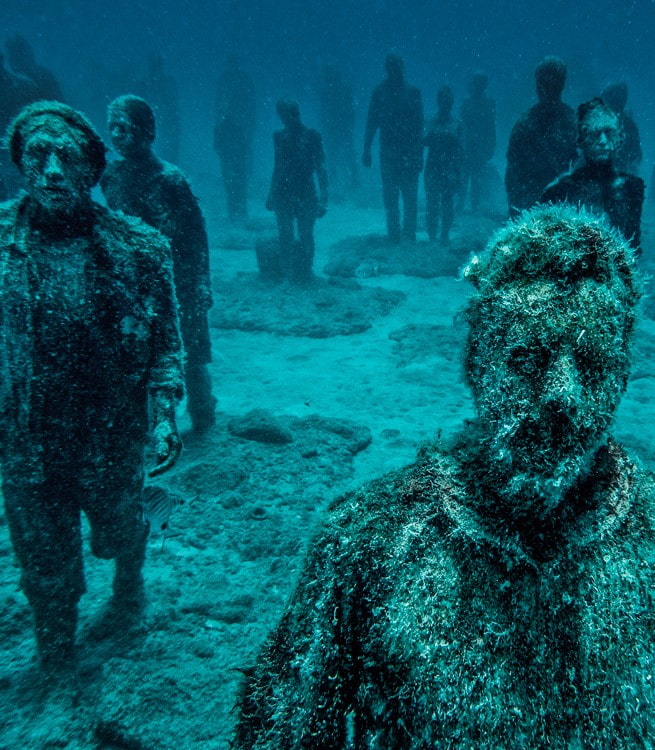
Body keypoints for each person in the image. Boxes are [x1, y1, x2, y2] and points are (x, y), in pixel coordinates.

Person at [233, 203, 655, 748]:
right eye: (529, 358)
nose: (563, 396)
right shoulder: (366, 545)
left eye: (593, 362)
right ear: (476, 363)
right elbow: (281, 726)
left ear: (622, 376)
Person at [0, 101, 183, 687]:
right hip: (28, 436)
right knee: (43, 552)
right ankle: (56, 650)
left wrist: (162, 415)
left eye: (68, 158)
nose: (53, 170)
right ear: (21, 164)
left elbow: (165, 344)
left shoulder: (142, 249)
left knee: (123, 524)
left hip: (110, 430)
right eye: (38, 155)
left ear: (90, 170)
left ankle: (129, 590)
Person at [101, 95, 216, 432]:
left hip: (177, 283)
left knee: (192, 354)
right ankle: (149, 425)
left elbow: (197, 239)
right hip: (131, 285)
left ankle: (203, 414)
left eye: (125, 128)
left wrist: (201, 285)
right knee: (139, 354)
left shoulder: (170, 180)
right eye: (113, 128)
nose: (119, 135)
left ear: (146, 131)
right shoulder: (110, 177)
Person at [542, 98, 644, 252]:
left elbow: (633, 247)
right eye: (595, 133)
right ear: (581, 139)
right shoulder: (558, 192)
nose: (603, 141)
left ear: (619, 138)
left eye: (609, 132)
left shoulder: (633, 187)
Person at [362, 53, 423, 244]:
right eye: (391, 66)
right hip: (388, 153)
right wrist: (367, 148)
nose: (394, 70)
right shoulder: (379, 92)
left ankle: (409, 235)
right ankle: (394, 235)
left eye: (396, 66)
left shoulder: (413, 92)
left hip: (409, 153)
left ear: (402, 68)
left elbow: (419, 125)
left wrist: (419, 154)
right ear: (387, 69)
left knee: (410, 197)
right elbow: (372, 121)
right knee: (390, 198)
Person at [505, 56, 577, 216]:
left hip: (561, 208)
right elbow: (513, 174)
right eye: (544, 84)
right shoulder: (524, 125)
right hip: (533, 207)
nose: (547, 89)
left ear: (562, 85)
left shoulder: (574, 123)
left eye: (553, 84)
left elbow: (582, 171)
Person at [265, 99, 328, 282]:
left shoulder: (312, 136)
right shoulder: (279, 137)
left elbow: (321, 168)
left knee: (305, 233)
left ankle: (305, 271)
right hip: (283, 193)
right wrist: (271, 193)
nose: (285, 119)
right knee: (285, 234)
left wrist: (324, 198)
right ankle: (287, 271)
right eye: (283, 115)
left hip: (305, 193)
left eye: (287, 114)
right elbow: (277, 167)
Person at [214, 55, 256, 222]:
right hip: (229, 139)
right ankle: (234, 212)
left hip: (240, 131)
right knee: (231, 182)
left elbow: (252, 104)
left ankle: (241, 212)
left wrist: (249, 125)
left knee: (240, 178)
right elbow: (218, 102)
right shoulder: (224, 79)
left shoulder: (245, 79)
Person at [423, 85, 463, 244]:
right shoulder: (430, 121)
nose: (445, 103)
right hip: (433, 166)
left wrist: (459, 171)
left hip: (450, 167)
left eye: (448, 100)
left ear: (452, 102)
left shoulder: (458, 123)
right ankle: (432, 235)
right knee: (432, 203)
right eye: (442, 100)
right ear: (438, 101)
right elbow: (423, 141)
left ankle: (445, 234)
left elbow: (461, 149)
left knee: (447, 202)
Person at [459, 71, 496, 213]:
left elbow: (491, 126)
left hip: (478, 145)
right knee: (465, 176)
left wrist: (490, 146)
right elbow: (460, 126)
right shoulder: (467, 103)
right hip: (468, 144)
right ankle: (461, 205)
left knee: (475, 177)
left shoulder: (488, 103)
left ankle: (473, 205)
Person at [319, 64, 358, 196]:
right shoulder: (332, 91)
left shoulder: (341, 90)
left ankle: (351, 178)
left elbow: (351, 109)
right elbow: (323, 111)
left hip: (339, 127)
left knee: (341, 154)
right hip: (337, 127)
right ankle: (342, 179)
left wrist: (349, 125)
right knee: (335, 154)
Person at [5, 35, 64, 102]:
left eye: (14, 55)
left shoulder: (44, 76)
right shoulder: (9, 81)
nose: (10, 59)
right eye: (10, 55)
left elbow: (58, 105)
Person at [600, 81, 642, 174]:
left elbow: (636, 156)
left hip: (618, 175)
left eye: (619, 100)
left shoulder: (630, 126)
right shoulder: (594, 120)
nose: (617, 103)